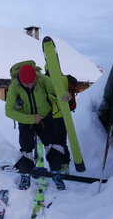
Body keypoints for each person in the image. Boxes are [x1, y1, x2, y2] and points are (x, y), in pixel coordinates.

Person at [5, 61, 72, 190]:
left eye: (32, 82)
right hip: (26, 119)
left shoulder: (42, 80)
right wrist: (31, 119)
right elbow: (8, 111)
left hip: (45, 117)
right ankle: (25, 175)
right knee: (26, 147)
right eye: (26, 83)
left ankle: (56, 173)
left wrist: (65, 95)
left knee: (53, 144)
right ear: (20, 80)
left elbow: (58, 90)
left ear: (35, 78)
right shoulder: (15, 87)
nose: (30, 85)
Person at [44, 64, 72, 175]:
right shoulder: (47, 79)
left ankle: (63, 165)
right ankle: (57, 165)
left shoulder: (62, 79)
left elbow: (59, 94)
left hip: (58, 116)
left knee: (59, 142)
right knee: (56, 142)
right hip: (54, 116)